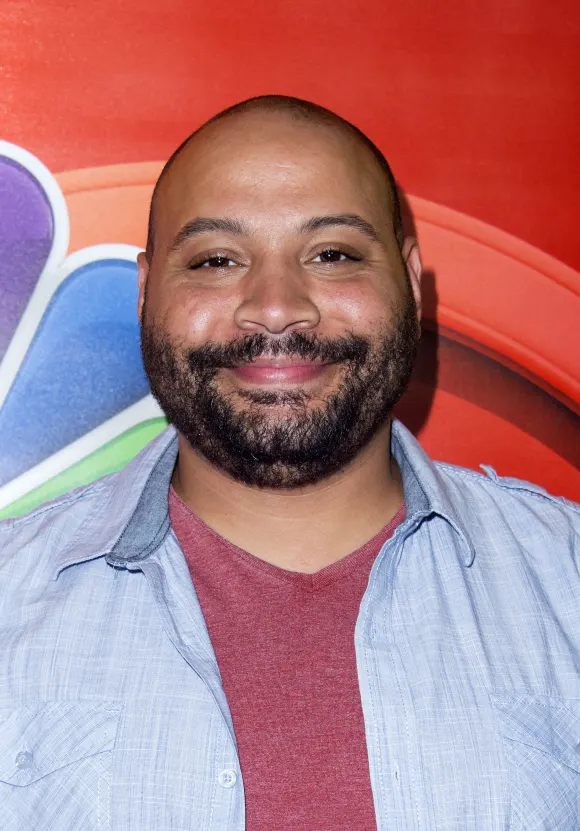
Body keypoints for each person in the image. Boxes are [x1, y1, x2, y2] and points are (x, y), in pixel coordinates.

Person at [1, 95, 579, 831]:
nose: (275, 308)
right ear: (146, 294)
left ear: (411, 284)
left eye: (332, 255)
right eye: (216, 260)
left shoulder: (565, 582)